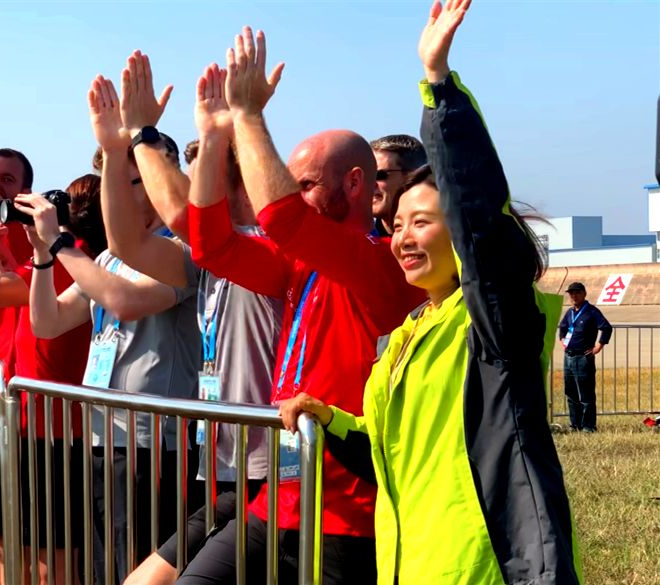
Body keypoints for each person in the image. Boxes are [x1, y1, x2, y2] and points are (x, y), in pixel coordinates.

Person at [280, 2, 582, 583]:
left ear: (460, 235)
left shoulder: (493, 321)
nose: (402, 238)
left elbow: (480, 212)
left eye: (422, 222)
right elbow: (387, 449)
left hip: (485, 567)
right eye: (397, 225)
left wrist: (438, 85)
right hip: (411, 564)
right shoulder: (404, 336)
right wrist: (330, 419)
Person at [179, 29, 420, 584]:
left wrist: (248, 115)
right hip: (280, 497)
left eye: (305, 183)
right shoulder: (299, 264)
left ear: (354, 185)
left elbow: (280, 217)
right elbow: (210, 246)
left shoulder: (381, 262)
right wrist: (212, 137)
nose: (289, 192)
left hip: (347, 516)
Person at [89, 53, 281, 585]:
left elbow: (178, 214)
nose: (194, 198)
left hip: (273, 469)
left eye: (201, 183)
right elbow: (124, 243)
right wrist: (114, 152)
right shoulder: (204, 257)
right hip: (220, 461)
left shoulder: (264, 248)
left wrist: (143, 135)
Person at [19, 151, 201, 583]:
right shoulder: (106, 261)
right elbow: (47, 323)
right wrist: (42, 256)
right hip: (104, 433)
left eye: (129, 182)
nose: (115, 193)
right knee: (108, 563)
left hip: (152, 441)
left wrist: (59, 242)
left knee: (139, 561)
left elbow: (125, 302)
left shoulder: (180, 250)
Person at [0, 173, 108, 585]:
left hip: (55, 429)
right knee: (26, 547)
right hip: (34, 423)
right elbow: (19, 291)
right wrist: (4, 253)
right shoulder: (63, 259)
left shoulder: (77, 258)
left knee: (52, 558)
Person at [558, 281, 612, 432]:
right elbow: (562, 327)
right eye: (571, 293)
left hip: (583, 358)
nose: (574, 296)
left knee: (586, 395)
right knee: (571, 394)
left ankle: (588, 426)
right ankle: (575, 425)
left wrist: (598, 347)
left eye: (577, 293)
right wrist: (562, 340)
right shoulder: (570, 312)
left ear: (584, 294)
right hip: (568, 357)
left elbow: (606, 328)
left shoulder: (591, 311)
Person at [370, 134, 427, 236]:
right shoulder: (359, 240)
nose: (370, 183)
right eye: (367, 176)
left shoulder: (447, 235)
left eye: (379, 175)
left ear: (413, 177)